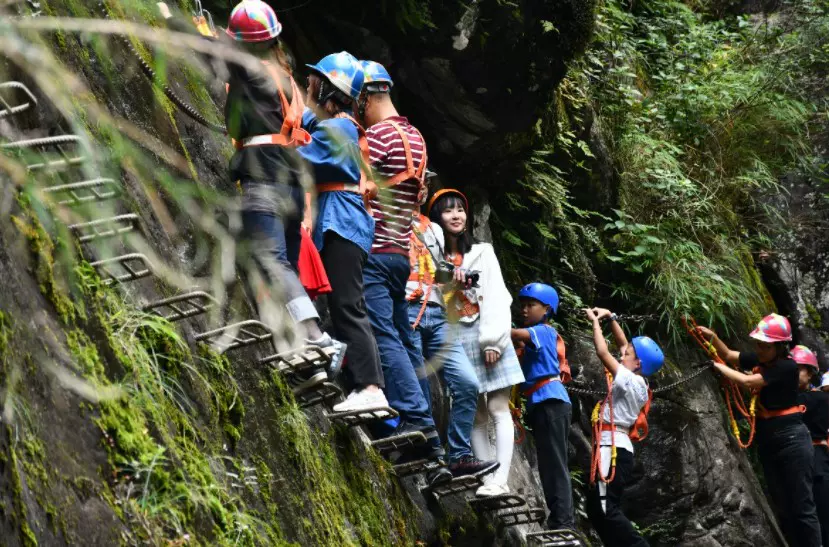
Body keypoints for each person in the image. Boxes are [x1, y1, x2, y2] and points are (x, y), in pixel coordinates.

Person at [158, 0, 345, 390]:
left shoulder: (250, 67)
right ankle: (305, 362)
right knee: (284, 267)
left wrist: (167, 15)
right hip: (293, 187)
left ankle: (316, 338)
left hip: (266, 183)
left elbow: (208, 53)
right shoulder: (284, 77)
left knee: (271, 263)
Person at [353, 60, 451, 484]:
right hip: (400, 254)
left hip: (375, 248)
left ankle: (418, 424)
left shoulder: (377, 135)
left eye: (358, 101)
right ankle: (433, 445)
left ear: (366, 97)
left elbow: (357, 184)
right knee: (407, 345)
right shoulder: (416, 136)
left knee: (385, 336)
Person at [298, 52, 388, 413]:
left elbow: (303, 156)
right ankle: (357, 381)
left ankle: (370, 387)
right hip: (345, 222)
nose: (308, 87)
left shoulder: (338, 128)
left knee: (348, 304)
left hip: (343, 222)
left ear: (327, 90)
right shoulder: (341, 126)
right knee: (343, 303)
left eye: (313, 83)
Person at [428, 189, 525, 497]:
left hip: (486, 330)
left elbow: (497, 295)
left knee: (498, 408)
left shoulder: (483, 251)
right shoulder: (433, 257)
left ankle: (500, 480)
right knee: (476, 414)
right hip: (457, 336)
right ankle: (486, 476)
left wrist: (493, 340)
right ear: (436, 219)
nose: (456, 215)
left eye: (460, 210)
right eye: (448, 211)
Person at [697, 314, 821, 547]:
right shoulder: (765, 360)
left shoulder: (786, 366)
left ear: (780, 346)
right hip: (769, 438)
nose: (759, 350)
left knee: (802, 506)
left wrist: (716, 367)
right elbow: (731, 355)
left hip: (791, 439)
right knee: (781, 503)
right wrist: (713, 338)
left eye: (765, 346)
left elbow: (749, 382)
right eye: (758, 345)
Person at [405, 196, 498, 478]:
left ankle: (458, 455)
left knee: (468, 383)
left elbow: (438, 272)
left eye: (423, 182)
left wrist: (457, 277)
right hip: (407, 307)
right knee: (417, 379)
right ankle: (430, 455)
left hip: (439, 312)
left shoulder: (431, 228)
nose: (419, 186)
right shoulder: (386, 216)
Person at [583, 307, 663, 547]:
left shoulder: (631, 380)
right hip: (611, 446)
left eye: (627, 353)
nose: (622, 353)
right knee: (597, 509)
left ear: (637, 363)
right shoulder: (636, 377)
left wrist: (595, 323)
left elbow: (602, 352)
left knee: (606, 508)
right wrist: (611, 318)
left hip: (613, 448)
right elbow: (621, 344)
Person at [511, 283, 574, 530]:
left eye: (531, 305)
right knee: (549, 464)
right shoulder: (532, 338)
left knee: (554, 464)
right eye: (523, 305)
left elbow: (514, 334)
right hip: (544, 403)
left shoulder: (544, 331)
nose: (524, 310)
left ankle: (564, 522)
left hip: (551, 401)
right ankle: (559, 519)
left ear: (546, 309)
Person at [792, 345, 829, 546]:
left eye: (799, 369)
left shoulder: (821, 399)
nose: (793, 373)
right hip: (799, 458)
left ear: (811, 373)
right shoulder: (786, 397)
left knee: (822, 513)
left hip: (818, 459)